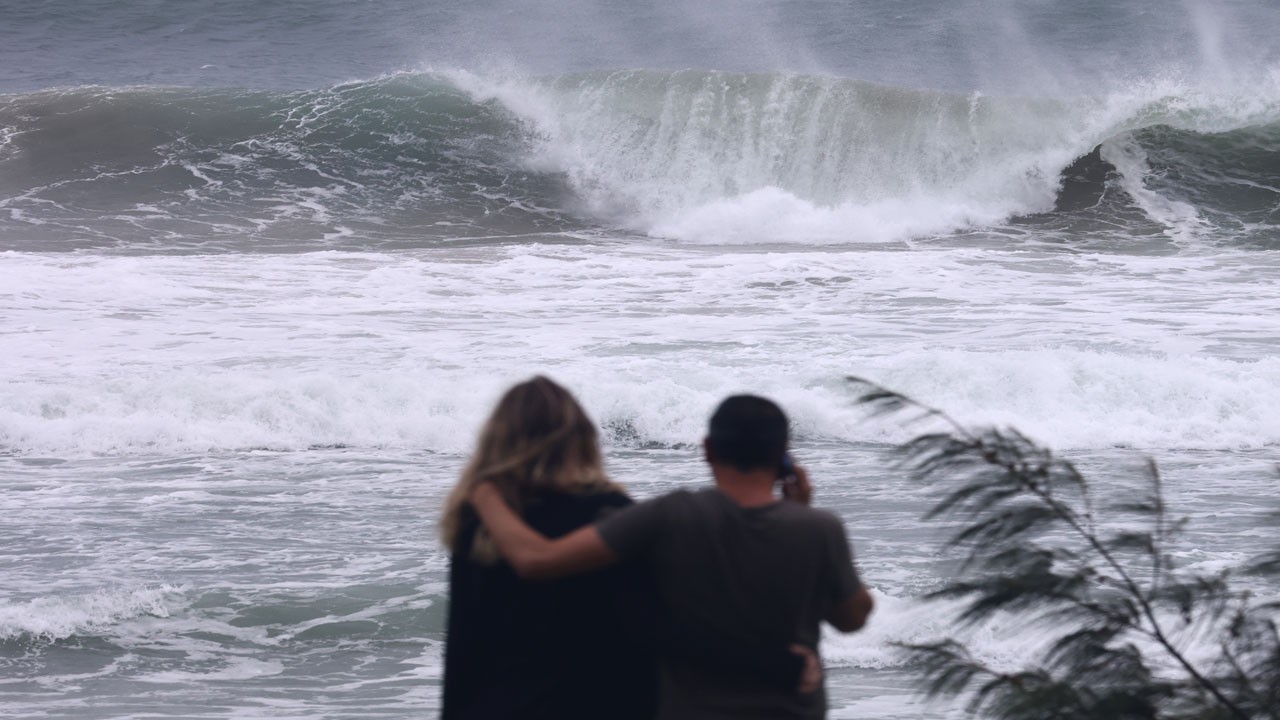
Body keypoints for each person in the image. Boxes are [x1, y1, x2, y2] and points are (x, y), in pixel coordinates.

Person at [470, 393, 874, 720]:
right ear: (784, 453)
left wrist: (485, 493)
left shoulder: (667, 517)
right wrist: (800, 515)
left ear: (708, 449)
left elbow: (536, 561)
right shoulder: (818, 528)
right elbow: (851, 618)